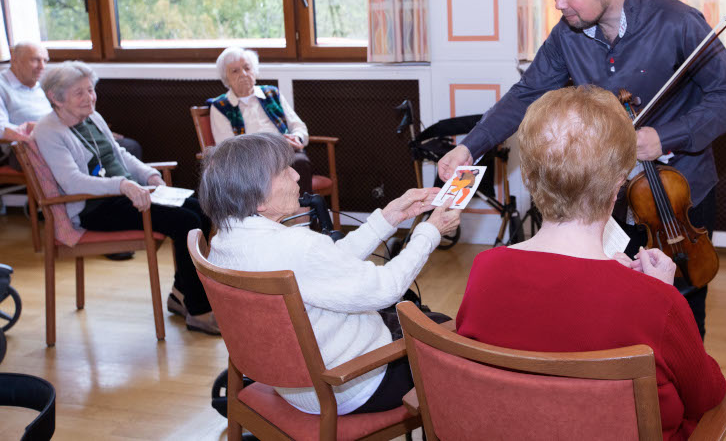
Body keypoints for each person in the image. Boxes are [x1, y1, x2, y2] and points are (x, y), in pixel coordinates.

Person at [439, 0, 726, 337]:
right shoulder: (567, 35)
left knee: (682, 299)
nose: (559, 3)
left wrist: (664, 137)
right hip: (609, 195)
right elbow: (525, 94)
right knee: (612, 299)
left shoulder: (676, 21)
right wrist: (469, 148)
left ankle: (683, 385)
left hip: (681, 193)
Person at [455, 86, 726, 441]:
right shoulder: (657, 301)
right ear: (617, 187)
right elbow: (707, 395)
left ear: (530, 179)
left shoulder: (484, 269)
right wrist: (658, 294)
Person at [199, 132, 460, 416]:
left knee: (425, 320)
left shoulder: (223, 244)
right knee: (449, 336)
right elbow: (386, 287)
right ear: (259, 199)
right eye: (283, 172)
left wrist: (390, 217)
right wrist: (430, 232)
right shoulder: (297, 247)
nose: (297, 176)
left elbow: (327, 266)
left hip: (292, 385)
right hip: (352, 384)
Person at [32, 61, 218, 334]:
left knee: (202, 209)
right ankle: (198, 311)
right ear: (55, 97)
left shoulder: (92, 117)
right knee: (186, 221)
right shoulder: (48, 131)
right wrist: (123, 185)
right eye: (79, 93)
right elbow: (71, 182)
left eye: (90, 90)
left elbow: (120, 155)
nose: (89, 98)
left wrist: (149, 175)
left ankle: (182, 294)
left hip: (125, 194)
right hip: (94, 207)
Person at [2, 42, 144, 159]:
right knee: (110, 153)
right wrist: (40, 131)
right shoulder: (2, 87)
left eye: (45, 61)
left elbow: (65, 114)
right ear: (14, 60)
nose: (42, 66)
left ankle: (120, 190)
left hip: (63, 137)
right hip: (26, 149)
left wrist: (94, 131)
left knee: (127, 146)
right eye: (35, 60)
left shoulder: (42, 86)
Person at [208, 47, 316, 195]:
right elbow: (227, 149)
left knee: (300, 163)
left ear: (255, 70)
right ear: (226, 78)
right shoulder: (221, 106)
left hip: (285, 154)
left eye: (247, 68)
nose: (244, 74)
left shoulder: (271, 94)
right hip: (251, 163)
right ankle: (275, 217)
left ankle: (303, 218)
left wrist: (296, 138)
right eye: (235, 71)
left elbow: (298, 126)